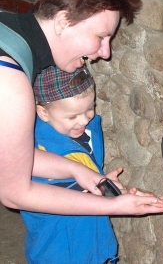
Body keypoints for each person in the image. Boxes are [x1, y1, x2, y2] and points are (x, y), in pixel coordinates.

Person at [0, 0, 163, 216]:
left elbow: (13, 160)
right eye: (101, 37)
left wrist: (77, 170)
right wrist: (112, 206)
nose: (106, 53)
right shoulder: (9, 82)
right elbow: (14, 193)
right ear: (63, 21)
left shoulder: (8, 29)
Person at [22, 65, 120, 263]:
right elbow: (61, 198)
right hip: (59, 251)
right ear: (43, 113)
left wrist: (102, 185)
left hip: (94, 243)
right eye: (73, 116)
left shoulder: (84, 130)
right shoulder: (35, 149)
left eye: (90, 108)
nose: (85, 119)